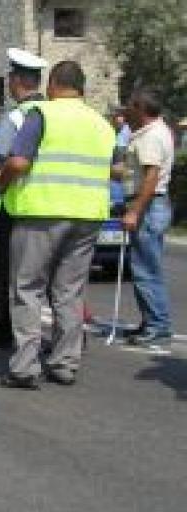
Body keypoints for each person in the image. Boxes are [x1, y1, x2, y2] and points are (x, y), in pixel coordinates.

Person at [0, 61, 117, 389]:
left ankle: (24, 367)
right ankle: (65, 363)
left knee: (28, 288)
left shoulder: (42, 114)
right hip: (88, 216)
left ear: (51, 85)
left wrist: (1, 183)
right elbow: (118, 169)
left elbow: (19, 161)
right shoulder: (102, 123)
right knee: (69, 292)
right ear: (82, 87)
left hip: (42, 212)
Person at [0, 48, 48, 349]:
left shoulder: (16, 116)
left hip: (13, 204)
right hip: (48, 204)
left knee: (5, 273)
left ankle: (1, 328)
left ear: (16, 81)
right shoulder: (52, 112)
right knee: (50, 277)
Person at [118, 89, 176, 346]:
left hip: (150, 207)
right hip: (153, 205)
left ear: (140, 108)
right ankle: (150, 321)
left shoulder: (151, 136)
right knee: (145, 266)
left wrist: (134, 211)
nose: (125, 110)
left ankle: (157, 325)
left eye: (129, 106)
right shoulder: (154, 132)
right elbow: (136, 172)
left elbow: (151, 177)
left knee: (145, 269)